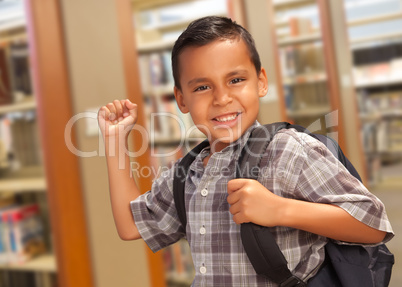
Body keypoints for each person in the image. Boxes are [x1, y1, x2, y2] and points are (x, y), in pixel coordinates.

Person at [97, 16, 393, 286]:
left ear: (260, 81)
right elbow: (131, 226)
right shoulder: (187, 172)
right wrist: (114, 141)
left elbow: (373, 224)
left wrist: (280, 209)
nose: (222, 98)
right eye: (202, 87)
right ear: (181, 99)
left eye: (236, 80)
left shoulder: (289, 150)